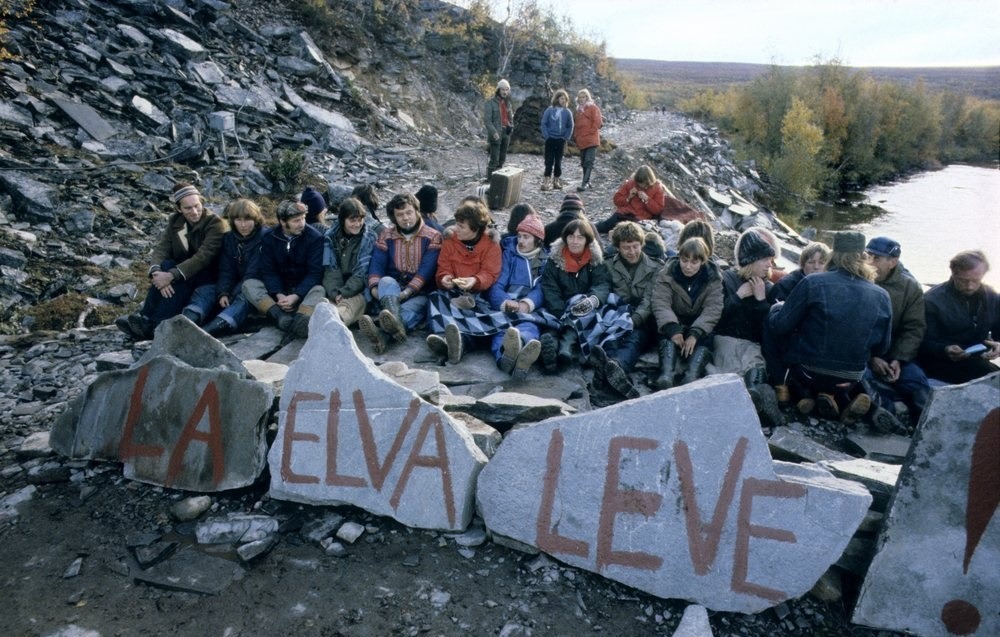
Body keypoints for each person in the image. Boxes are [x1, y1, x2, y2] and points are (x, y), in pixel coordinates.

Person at [766, 231, 892, 424]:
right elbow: (882, 348)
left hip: (809, 372)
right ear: (863, 258)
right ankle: (839, 400)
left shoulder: (812, 282)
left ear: (833, 255)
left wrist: (776, 308)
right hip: (852, 378)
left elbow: (781, 326)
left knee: (771, 321)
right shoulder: (882, 295)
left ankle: (783, 387)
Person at [116, 182, 224, 340]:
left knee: (177, 278)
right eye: (188, 208)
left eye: (197, 206)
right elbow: (162, 248)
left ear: (202, 202)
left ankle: (154, 323)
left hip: (209, 274)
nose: (194, 211)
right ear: (179, 209)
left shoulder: (215, 223)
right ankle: (146, 319)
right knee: (165, 266)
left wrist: (171, 275)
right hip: (185, 271)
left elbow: (204, 257)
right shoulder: (176, 221)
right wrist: (156, 272)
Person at [711, 229, 784, 426]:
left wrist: (761, 302)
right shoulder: (727, 278)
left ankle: (754, 394)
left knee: (754, 363)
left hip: (751, 342)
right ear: (752, 261)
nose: (769, 264)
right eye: (765, 260)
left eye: (771, 260)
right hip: (725, 338)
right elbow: (716, 317)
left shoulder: (768, 287)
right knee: (730, 369)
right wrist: (738, 297)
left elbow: (768, 328)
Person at [359, 193, 442, 354]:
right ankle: (393, 321)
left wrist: (406, 293)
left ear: (417, 211)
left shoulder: (433, 236)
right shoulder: (386, 235)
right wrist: (375, 289)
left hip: (419, 292)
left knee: (411, 311)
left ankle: (383, 335)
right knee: (386, 281)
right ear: (394, 218)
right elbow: (377, 264)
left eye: (409, 212)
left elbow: (426, 270)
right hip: (391, 290)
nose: (405, 218)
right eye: (400, 215)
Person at [862, 236, 931, 427]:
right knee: (862, 378)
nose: (869, 262)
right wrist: (871, 358)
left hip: (892, 352)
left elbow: (914, 328)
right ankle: (887, 417)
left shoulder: (910, 287)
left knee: (917, 382)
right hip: (861, 352)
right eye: (867, 256)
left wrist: (898, 359)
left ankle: (925, 427)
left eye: (876, 258)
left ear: (892, 262)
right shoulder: (858, 277)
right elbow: (851, 326)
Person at [425, 198, 502, 364]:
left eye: (461, 226)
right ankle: (442, 338)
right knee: (435, 298)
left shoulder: (491, 244)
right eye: (456, 224)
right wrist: (445, 277)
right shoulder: (450, 239)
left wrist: (474, 281)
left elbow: (490, 273)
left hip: (479, 295)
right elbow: (444, 266)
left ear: (475, 229)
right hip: (453, 292)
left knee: (489, 320)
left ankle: (462, 343)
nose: (456, 229)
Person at [589, 222, 659, 400]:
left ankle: (617, 366)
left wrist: (633, 321)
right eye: (626, 248)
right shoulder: (608, 265)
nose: (632, 252)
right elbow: (604, 290)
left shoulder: (656, 267)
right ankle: (613, 373)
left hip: (643, 319)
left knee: (634, 338)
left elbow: (650, 300)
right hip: (616, 314)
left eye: (635, 246)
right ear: (618, 248)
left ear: (641, 244)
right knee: (611, 337)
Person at [539, 219, 616, 373]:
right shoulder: (554, 260)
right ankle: (551, 353)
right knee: (550, 325)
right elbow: (549, 288)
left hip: (584, 307)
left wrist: (593, 299)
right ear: (565, 238)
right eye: (571, 237)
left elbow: (602, 284)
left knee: (586, 311)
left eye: (580, 237)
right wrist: (561, 312)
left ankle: (566, 346)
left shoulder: (595, 260)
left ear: (587, 240)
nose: (575, 241)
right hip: (558, 307)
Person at [242, 200, 326, 340]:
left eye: (303, 218)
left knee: (319, 290)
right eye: (296, 221)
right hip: (279, 293)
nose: (302, 224)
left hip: (303, 292)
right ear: (282, 222)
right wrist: (279, 295)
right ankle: (280, 317)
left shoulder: (315, 238)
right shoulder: (269, 237)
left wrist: (297, 296)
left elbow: (315, 273)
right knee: (249, 284)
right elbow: (268, 270)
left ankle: (301, 319)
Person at [650, 237, 724, 390]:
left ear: (702, 261)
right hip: (675, 319)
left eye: (694, 262)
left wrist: (695, 333)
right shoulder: (667, 273)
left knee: (707, 338)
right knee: (663, 334)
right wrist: (673, 329)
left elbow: (713, 309)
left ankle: (692, 375)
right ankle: (666, 375)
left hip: (698, 323)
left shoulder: (713, 278)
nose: (688, 266)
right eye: (684, 260)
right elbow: (661, 302)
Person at [919, 249, 1000, 384]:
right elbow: (922, 340)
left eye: (976, 280)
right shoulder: (931, 300)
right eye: (963, 281)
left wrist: (997, 346)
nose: (969, 286)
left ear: (983, 275)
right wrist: (944, 349)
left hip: (977, 359)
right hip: (939, 362)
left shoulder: (992, 296)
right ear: (953, 274)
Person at [487, 214, 550, 381]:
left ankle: (521, 346)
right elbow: (497, 284)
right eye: (520, 236)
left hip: (528, 308)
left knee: (531, 327)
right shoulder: (509, 254)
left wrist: (527, 304)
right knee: (499, 331)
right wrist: (505, 301)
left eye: (526, 237)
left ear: (537, 240)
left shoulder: (545, 261)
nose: (521, 241)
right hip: (507, 304)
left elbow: (542, 288)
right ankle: (505, 357)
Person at [201, 199, 266, 337]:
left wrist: (231, 295)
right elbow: (226, 269)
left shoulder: (265, 237)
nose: (243, 225)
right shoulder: (229, 239)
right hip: (238, 283)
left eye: (248, 220)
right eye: (238, 220)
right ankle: (193, 321)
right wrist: (223, 292)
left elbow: (253, 273)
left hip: (259, 286)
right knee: (208, 290)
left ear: (256, 220)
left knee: (245, 297)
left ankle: (210, 330)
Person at [322, 197, 377, 327]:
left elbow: (362, 273)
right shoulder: (330, 237)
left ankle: (336, 322)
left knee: (349, 306)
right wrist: (336, 293)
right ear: (343, 220)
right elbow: (331, 268)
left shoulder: (370, 238)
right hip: (337, 287)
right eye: (352, 220)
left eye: (360, 220)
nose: (357, 224)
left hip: (359, 288)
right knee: (322, 298)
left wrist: (344, 292)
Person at [596, 165, 668, 234]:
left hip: (639, 218)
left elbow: (658, 211)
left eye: (645, 184)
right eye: (639, 184)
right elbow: (616, 200)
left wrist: (647, 199)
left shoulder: (657, 188)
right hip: (624, 213)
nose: (642, 186)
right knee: (604, 226)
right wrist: (629, 197)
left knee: (628, 233)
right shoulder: (631, 183)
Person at [540, 89, 574, 191]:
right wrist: (547, 136)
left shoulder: (567, 112)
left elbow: (570, 125)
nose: (563, 101)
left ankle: (556, 181)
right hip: (550, 139)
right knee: (548, 161)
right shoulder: (549, 110)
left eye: (565, 99)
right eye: (561, 98)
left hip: (561, 140)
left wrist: (566, 137)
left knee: (558, 161)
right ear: (557, 99)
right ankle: (546, 181)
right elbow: (544, 123)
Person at [573, 88, 602, 191]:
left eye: (584, 97)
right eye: (580, 97)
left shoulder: (593, 108)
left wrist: (590, 131)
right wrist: (576, 136)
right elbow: (576, 125)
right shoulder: (578, 111)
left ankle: (584, 183)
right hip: (581, 140)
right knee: (583, 162)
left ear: (587, 97)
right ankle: (587, 181)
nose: (581, 99)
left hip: (591, 139)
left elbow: (597, 121)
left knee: (589, 161)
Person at [484, 79, 513, 179]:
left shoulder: (508, 103)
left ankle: (498, 181)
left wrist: (511, 126)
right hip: (496, 133)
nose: (505, 92)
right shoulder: (490, 103)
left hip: (506, 133)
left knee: (502, 159)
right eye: (503, 89)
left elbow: (510, 118)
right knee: (494, 159)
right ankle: (490, 180)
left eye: (506, 89)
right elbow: (487, 121)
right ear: (498, 90)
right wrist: (493, 132)